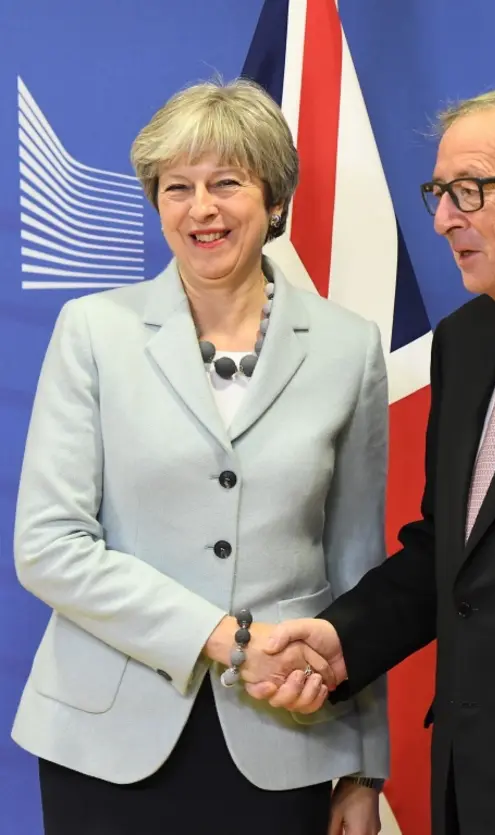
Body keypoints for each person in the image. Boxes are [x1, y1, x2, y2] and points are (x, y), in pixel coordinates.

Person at [250, 83, 495, 835]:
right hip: (472, 783)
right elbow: (455, 554)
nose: (440, 219)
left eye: (470, 191)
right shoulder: (464, 343)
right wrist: (343, 639)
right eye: (438, 192)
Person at [11, 78, 389, 835]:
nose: (200, 209)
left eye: (226, 183)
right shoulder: (92, 331)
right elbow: (48, 546)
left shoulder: (349, 348)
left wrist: (363, 764)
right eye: (176, 187)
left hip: (287, 739)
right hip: (105, 739)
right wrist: (226, 639)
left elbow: (357, 574)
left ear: (274, 199)